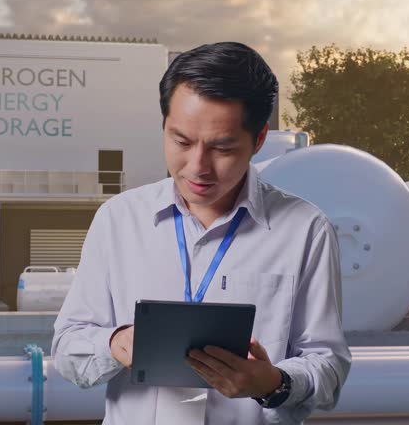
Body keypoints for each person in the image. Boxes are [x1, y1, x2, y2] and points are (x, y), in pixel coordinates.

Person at [52, 42, 351, 424]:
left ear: (259, 139)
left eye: (222, 148)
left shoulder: (305, 230)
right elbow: (67, 347)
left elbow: (328, 366)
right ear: (164, 125)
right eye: (181, 141)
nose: (197, 167)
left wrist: (274, 383)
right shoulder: (118, 220)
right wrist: (113, 343)